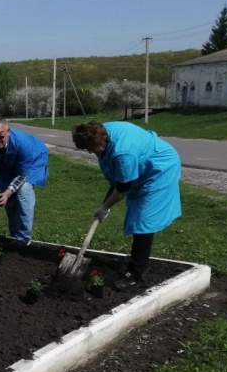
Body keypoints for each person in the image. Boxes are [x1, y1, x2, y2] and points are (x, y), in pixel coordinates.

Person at [71, 121, 181, 290]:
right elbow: (118, 180)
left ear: (101, 141)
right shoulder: (102, 130)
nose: (90, 152)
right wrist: (105, 204)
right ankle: (137, 264)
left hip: (159, 169)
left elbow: (122, 188)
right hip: (142, 165)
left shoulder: (123, 153)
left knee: (142, 222)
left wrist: (105, 207)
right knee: (138, 217)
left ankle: (135, 273)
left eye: (91, 148)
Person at [0, 117, 49, 244]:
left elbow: (22, 175)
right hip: (8, 165)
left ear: (8, 131)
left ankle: (24, 239)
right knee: (7, 195)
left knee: (23, 190)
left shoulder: (22, 143)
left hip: (34, 160)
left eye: (1, 136)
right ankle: (14, 235)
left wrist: (8, 192)